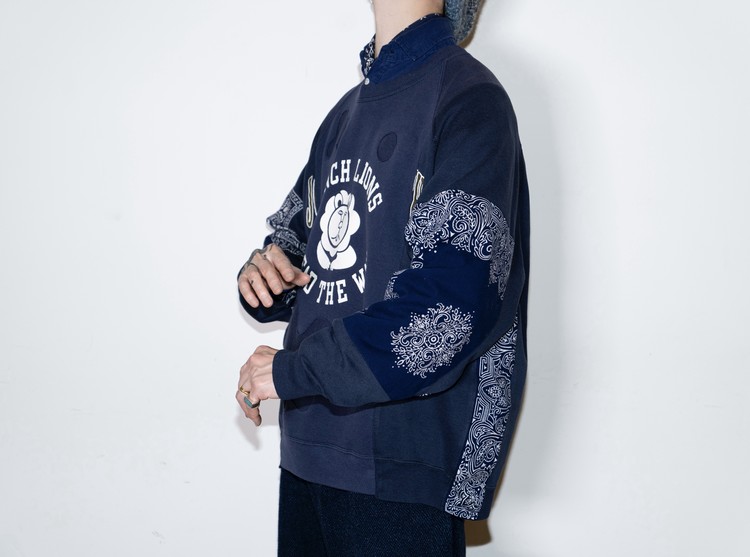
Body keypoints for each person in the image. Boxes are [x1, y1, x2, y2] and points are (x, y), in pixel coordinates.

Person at [236, 0, 530, 554]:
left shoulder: (468, 97)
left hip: (400, 462)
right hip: (309, 447)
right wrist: (264, 276)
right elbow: (298, 247)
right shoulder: (345, 114)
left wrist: (294, 371)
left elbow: (448, 313)